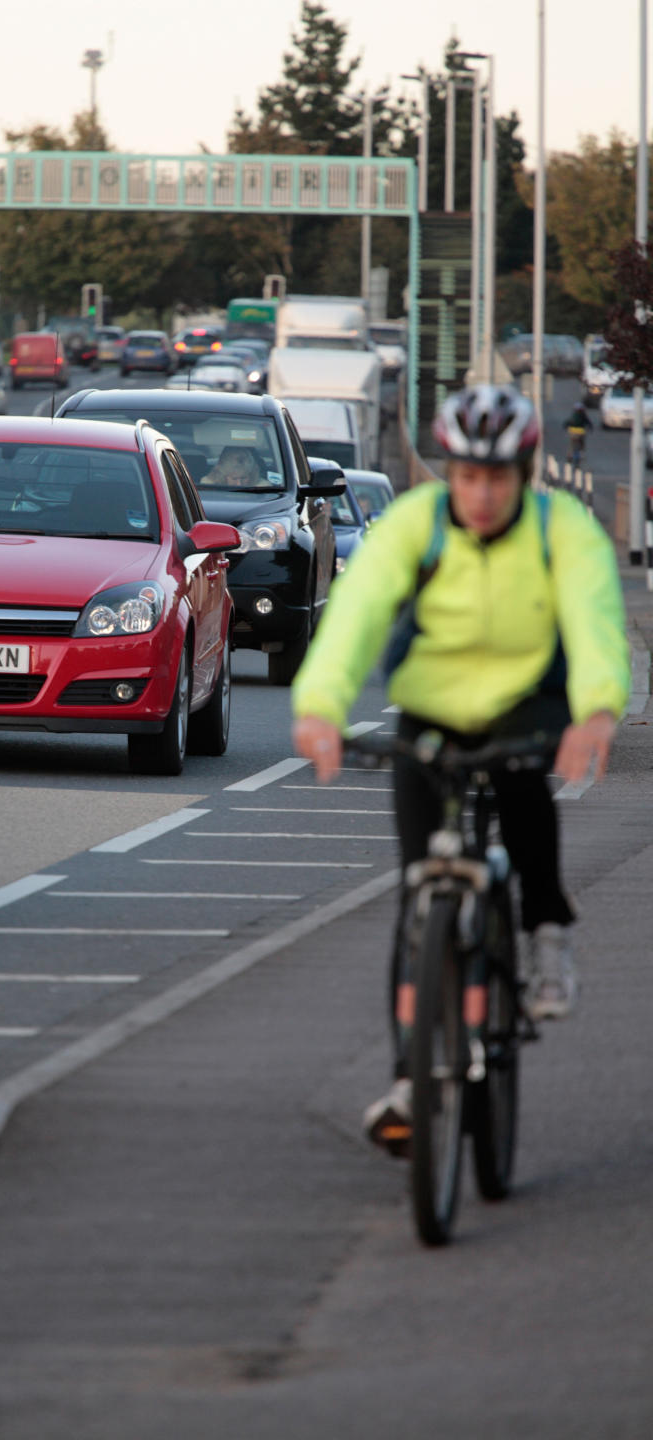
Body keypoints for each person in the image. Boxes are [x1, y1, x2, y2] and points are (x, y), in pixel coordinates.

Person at [290, 384, 630, 1154]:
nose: (480, 495)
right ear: (448, 472)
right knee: (420, 895)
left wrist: (597, 712)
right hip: (432, 711)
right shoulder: (415, 524)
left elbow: (595, 622)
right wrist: (320, 707)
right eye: (466, 477)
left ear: (523, 472)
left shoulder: (560, 531)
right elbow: (356, 616)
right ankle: (413, 1077)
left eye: (497, 478)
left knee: (522, 794)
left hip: (523, 706)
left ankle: (546, 933)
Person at [563, 399, 593, 465]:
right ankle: (582, 453)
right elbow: (589, 423)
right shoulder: (583, 416)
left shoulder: (573, 415)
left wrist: (565, 427)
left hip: (572, 433)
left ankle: (569, 456)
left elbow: (567, 422)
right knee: (582, 444)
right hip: (581, 433)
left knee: (571, 444)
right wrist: (590, 428)